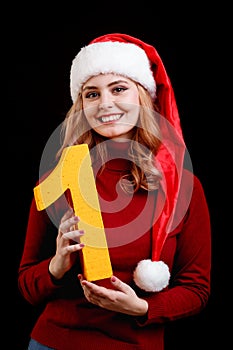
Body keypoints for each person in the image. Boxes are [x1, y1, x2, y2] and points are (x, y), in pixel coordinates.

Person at [18, 33, 211, 350]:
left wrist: (143, 308)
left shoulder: (182, 188)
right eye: (91, 94)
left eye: (118, 89)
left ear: (143, 97)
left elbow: (197, 288)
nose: (105, 103)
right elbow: (27, 285)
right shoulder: (58, 179)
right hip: (53, 342)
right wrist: (58, 264)